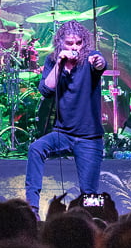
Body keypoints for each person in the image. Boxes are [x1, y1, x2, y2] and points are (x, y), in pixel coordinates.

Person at [24, 20, 106, 211]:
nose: (74, 47)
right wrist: (60, 63)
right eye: (69, 43)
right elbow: (46, 90)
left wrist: (99, 62)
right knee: (36, 149)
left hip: (89, 137)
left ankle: (90, 221)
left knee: (89, 194)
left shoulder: (91, 57)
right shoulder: (53, 61)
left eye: (78, 43)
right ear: (60, 42)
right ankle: (32, 209)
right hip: (62, 134)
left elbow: (100, 64)